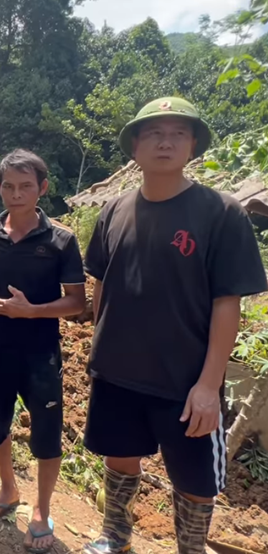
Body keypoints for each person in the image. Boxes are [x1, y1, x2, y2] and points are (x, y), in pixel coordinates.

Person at [81, 97, 268, 554]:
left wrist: (209, 384)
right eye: (153, 133)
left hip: (185, 380)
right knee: (119, 457)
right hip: (119, 370)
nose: (165, 142)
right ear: (135, 145)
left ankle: (190, 548)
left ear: (192, 145)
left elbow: (228, 303)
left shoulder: (220, 213)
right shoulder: (113, 210)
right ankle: (116, 535)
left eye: (177, 133)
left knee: (194, 477)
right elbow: (102, 286)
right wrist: (97, 351)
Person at [0, 149, 86, 553]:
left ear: (43, 189)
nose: (16, 194)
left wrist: (31, 311)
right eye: (8, 186)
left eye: (25, 186)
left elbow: (77, 302)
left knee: (47, 434)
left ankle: (41, 508)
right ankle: (7, 488)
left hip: (41, 354)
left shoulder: (61, 241)